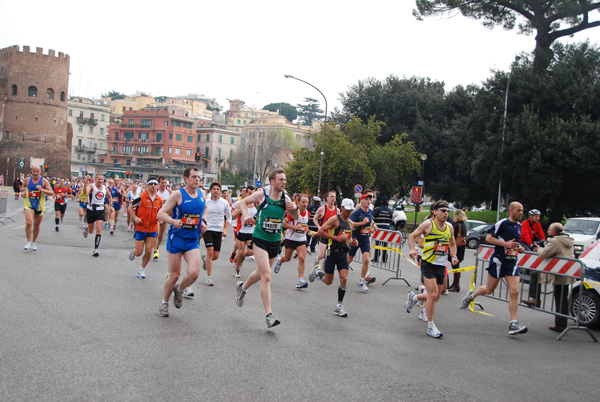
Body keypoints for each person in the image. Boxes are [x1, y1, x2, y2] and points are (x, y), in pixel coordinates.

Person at [235, 168, 299, 328]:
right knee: (267, 276)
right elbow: (243, 202)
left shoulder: (285, 197)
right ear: (272, 181)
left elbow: (296, 217)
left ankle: (242, 288)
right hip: (260, 239)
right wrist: (247, 215)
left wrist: (294, 209)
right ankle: (269, 315)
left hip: (275, 241)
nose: (284, 182)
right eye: (280, 180)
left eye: (285, 180)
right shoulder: (262, 194)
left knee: (259, 273)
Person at [461, 201, 528, 336]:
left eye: (522, 211)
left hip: (512, 262)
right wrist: (505, 244)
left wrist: (519, 248)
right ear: (511, 210)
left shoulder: (519, 226)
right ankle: (472, 295)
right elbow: (489, 238)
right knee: (489, 289)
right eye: (518, 210)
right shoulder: (502, 223)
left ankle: (513, 323)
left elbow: (515, 242)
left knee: (514, 291)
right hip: (498, 261)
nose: (521, 213)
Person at [156, 167, 206, 317]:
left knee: (194, 274)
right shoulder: (178, 194)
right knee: (175, 275)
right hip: (176, 238)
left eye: (199, 177)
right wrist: (173, 221)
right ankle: (164, 303)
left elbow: (205, 208)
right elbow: (161, 213)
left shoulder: (202, 194)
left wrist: (203, 220)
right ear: (185, 178)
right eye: (194, 177)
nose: (197, 180)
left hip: (192, 239)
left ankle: (179, 290)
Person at [405, 200, 459, 338]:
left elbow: (452, 244)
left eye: (448, 211)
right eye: (443, 211)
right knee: (433, 294)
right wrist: (412, 249)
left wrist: (453, 256)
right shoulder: (428, 225)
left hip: (441, 265)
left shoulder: (449, 227)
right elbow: (412, 236)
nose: (446, 213)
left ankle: (414, 297)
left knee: (436, 296)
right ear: (434, 211)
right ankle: (430, 326)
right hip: (428, 263)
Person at [309, 198, 359, 317]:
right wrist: (335, 238)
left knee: (344, 278)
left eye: (351, 210)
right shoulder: (335, 220)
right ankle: (317, 272)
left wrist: (353, 243)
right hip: (332, 253)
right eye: (347, 210)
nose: (349, 212)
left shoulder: (350, 223)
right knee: (328, 281)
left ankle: (339, 306)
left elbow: (349, 239)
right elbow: (320, 232)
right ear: (341, 208)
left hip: (343, 254)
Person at [536, 222, 575, 332]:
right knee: (563, 298)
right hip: (566, 272)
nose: (547, 231)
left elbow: (544, 254)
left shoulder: (555, 241)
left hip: (559, 273)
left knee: (560, 298)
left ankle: (560, 324)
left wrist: (538, 248)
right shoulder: (567, 240)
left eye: (549, 229)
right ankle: (561, 323)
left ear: (554, 231)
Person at [274, 194, 313, 289]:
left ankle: (300, 280)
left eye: (307, 202)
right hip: (291, 238)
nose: (305, 204)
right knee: (287, 258)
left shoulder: (307, 213)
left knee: (302, 258)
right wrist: (295, 227)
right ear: (298, 203)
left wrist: (308, 232)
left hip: (301, 239)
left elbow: (305, 225)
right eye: (303, 202)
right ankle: (280, 261)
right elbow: (283, 223)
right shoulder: (293, 213)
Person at [128, 177, 163, 279]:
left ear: (157, 186)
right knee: (139, 252)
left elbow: (160, 212)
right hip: (141, 228)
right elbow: (130, 207)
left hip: (152, 228)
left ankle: (141, 269)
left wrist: (160, 218)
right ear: (147, 186)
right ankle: (133, 251)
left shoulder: (159, 200)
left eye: (155, 184)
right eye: (151, 184)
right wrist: (135, 217)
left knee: (148, 251)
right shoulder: (141, 197)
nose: (153, 186)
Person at [202, 182, 232, 286]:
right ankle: (209, 277)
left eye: (217, 189)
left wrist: (226, 230)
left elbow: (229, 217)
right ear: (210, 190)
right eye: (214, 189)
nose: (216, 191)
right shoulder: (205, 202)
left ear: (220, 191)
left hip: (218, 230)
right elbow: (201, 215)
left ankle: (205, 259)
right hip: (208, 229)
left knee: (215, 256)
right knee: (210, 251)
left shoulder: (224, 203)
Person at [348, 193, 378, 291]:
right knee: (349, 260)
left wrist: (372, 228)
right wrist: (362, 223)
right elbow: (350, 224)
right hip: (356, 239)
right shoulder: (357, 212)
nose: (368, 201)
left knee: (366, 259)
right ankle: (342, 274)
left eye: (370, 199)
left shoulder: (370, 212)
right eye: (366, 199)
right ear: (361, 201)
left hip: (365, 239)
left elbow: (369, 224)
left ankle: (361, 280)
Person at [21, 165, 54, 251]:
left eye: (37, 171)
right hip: (29, 203)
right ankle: (28, 241)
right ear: (31, 171)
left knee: (36, 225)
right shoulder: (28, 180)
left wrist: (43, 190)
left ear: (40, 172)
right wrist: (23, 192)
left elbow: (51, 193)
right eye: (34, 171)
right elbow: (23, 186)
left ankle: (34, 241)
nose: (35, 173)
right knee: (29, 222)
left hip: (39, 205)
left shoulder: (44, 181)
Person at [521, 208, 547, 307]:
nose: (538, 218)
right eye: (536, 216)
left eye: (539, 216)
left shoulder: (537, 224)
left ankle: (531, 271)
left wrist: (543, 243)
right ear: (531, 216)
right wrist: (531, 245)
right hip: (523, 241)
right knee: (529, 253)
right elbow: (525, 234)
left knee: (536, 252)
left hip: (531, 241)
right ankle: (527, 269)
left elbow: (541, 234)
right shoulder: (525, 223)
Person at [83, 174, 112, 257]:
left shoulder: (105, 188)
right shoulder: (91, 186)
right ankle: (87, 228)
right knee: (91, 231)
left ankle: (96, 249)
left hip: (100, 210)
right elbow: (85, 193)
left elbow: (109, 196)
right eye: (98, 179)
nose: (100, 181)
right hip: (91, 209)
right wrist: (85, 183)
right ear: (95, 179)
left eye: (101, 179)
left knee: (99, 229)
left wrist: (110, 205)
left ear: (103, 180)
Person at [231, 186, 256, 278]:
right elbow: (232, 217)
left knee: (252, 252)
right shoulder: (240, 204)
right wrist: (239, 212)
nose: (251, 195)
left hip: (251, 232)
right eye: (249, 193)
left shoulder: (256, 205)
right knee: (241, 251)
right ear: (245, 194)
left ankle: (240, 259)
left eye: (253, 193)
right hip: (241, 231)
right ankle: (237, 269)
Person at [313, 191, 340, 274]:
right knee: (324, 253)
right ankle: (317, 259)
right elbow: (314, 219)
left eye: (334, 197)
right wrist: (319, 227)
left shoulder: (337, 210)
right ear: (327, 198)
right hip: (323, 235)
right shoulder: (322, 209)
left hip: (332, 236)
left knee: (328, 255)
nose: (333, 198)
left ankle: (323, 271)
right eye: (331, 196)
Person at [153, 176, 172, 260]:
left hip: (165, 214)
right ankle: (154, 250)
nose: (164, 184)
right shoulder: (155, 190)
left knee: (161, 234)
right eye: (162, 183)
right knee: (157, 232)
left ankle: (156, 247)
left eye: (165, 183)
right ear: (159, 183)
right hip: (156, 214)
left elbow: (173, 202)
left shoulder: (169, 191)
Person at [449, 209, 468, 292]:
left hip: (456, 247)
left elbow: (452, 236)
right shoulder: (463, 225)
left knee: (455, 266)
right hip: (461, 247)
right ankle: (455, 284)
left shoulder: (457, 225)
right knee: (456, 266)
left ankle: (456, 285)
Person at [372, 196, 393, 263]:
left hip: (378, 228)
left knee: (377, 244)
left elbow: (373, 219)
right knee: (385, 244)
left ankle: (376, 258)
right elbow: (391, 220)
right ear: (387, 202)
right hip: (386, 228)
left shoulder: (377, 210)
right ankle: (384, 259)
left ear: (381, 201)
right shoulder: (390, 210)